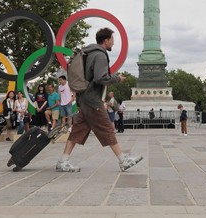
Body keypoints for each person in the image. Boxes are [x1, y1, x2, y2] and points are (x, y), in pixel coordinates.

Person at [56, 27, 143, 172]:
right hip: (92, 100)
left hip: (83, 98)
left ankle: (63, 161)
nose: (113, 44)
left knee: (77, 131)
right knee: (107, 128)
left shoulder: (88, 53)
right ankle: (123, 160)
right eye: (112, 40)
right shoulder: (100, 55)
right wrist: (117, 79)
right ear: (106, 40)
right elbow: (100, 77)